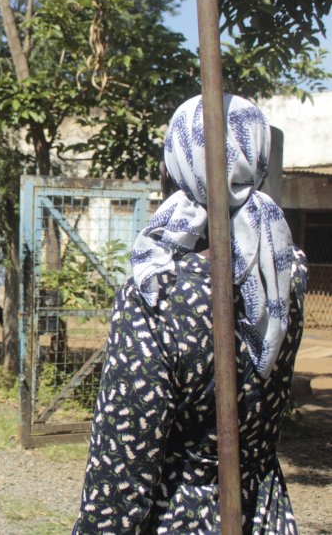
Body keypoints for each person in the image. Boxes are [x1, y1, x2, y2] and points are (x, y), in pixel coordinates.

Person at [73, 94, 306, 533]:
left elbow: (120, 471)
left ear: (176, 165)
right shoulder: (286, 277)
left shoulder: (157, 288)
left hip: (183, 517)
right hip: (264, 514)